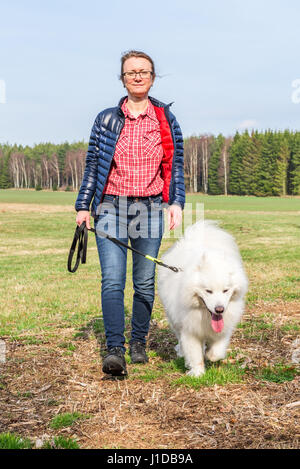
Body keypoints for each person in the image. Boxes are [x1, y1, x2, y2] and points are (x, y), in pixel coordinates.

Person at [75, 50, 185, 376]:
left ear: (152, 77)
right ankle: (115, 350)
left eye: (143, 71)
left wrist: (176, 202)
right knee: (112, 280)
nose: (137, 76)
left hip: (150, 208)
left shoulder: (165, 118)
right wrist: (83, 206)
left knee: (144, 282)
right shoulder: (106, 119)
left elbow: (174, 165)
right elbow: (93, 166)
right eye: (131, 72)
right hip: (111, 206)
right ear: (122, 78)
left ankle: (138, 341)